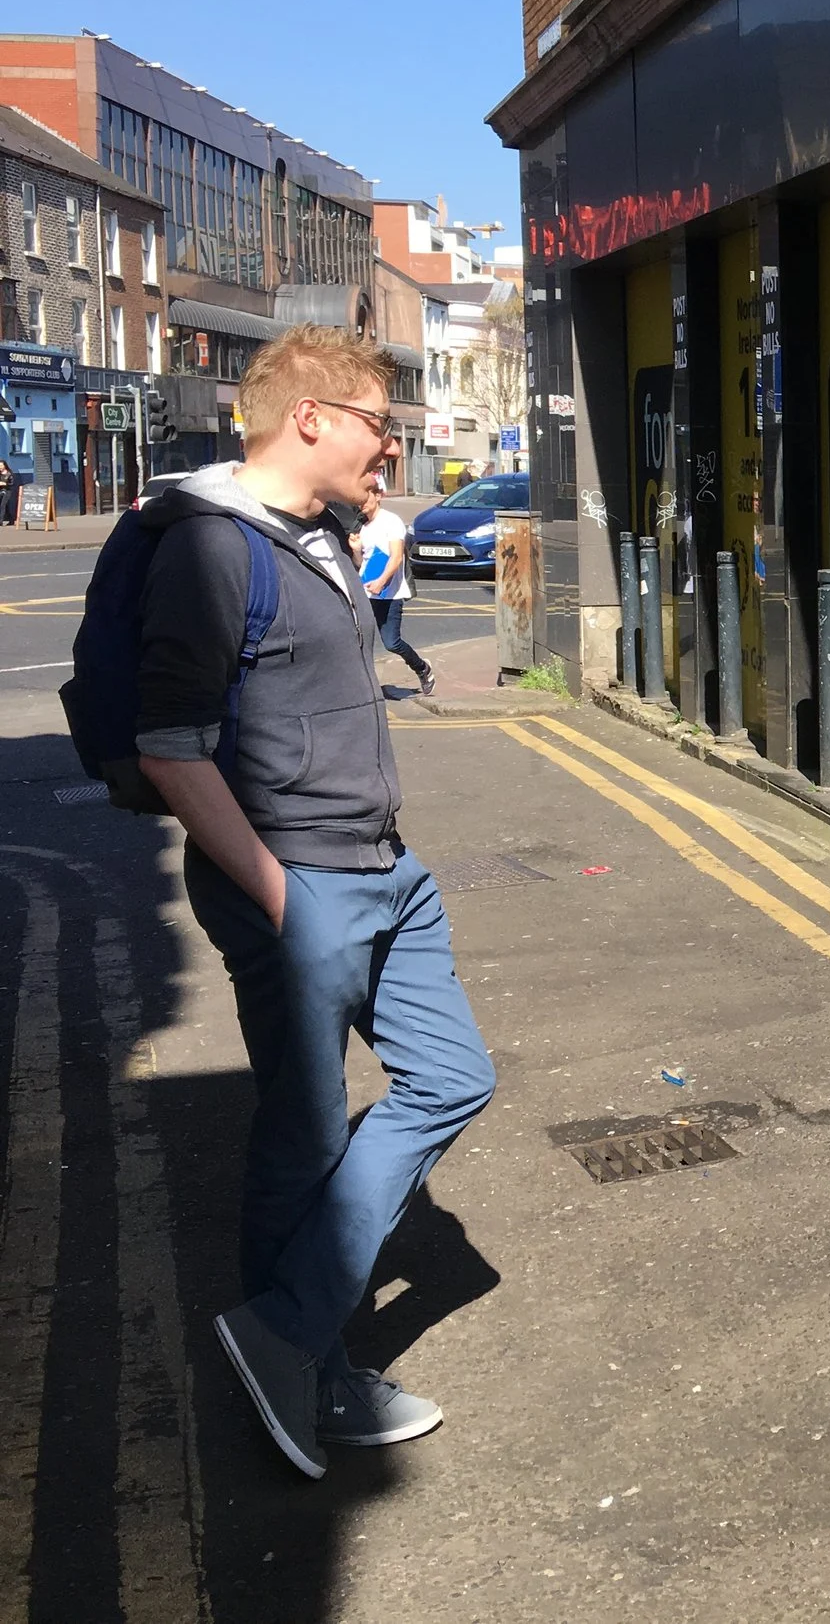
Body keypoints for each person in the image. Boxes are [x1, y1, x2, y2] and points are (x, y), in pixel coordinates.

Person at [134, 326, 496, 1479]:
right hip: (296, 879)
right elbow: (169, 747)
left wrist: (365, 522)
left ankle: (284, 1333)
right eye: (379, 427)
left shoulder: (324, 531)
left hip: (385, 867)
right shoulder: (209, 549)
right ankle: (310, 1368)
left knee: (452, 1075)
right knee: (303, 1132)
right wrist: (280, 896)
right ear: (310, 418)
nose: (393, 450)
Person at [356, 493, 435, 695]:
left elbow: (397, 557)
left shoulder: (391, 521)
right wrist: (356, 550)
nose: (361, 503)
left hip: (388, 594)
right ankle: (365, 686)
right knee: (359, 639)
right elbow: (361, 562)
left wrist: (381, 582)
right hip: (364, 591)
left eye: (365, 498)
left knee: (391, 642)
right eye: (359, 500)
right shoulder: (363, 526)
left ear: (378, 496)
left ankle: (422, 668)